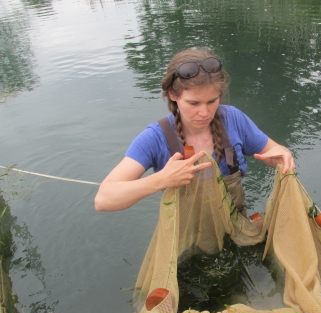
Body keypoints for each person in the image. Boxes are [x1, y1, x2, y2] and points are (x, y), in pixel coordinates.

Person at [94, 48, 295, 214]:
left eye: (212, 101)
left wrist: (282, 156)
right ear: (173, 94)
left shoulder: (233, 119)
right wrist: (161, 180)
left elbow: (271, 152)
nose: (204, 112)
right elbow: (103, 199)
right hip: (186, 236)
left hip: (235, 224)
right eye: (193, 103)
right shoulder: (155, 138)